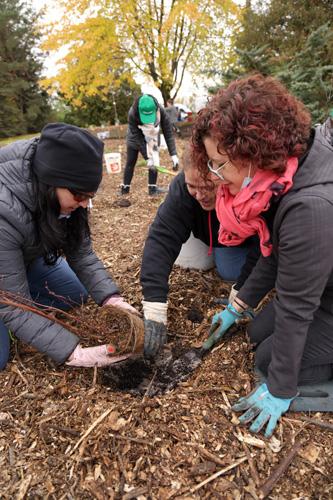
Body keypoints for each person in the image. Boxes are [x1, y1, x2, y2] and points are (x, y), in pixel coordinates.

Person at [191, 73, 333, 437]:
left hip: (325, 298)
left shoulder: (309, 206)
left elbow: (297, 307)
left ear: (251, 153)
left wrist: (281, 389)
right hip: (321, 286)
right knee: (257, 331)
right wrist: (238, 306)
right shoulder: (285, 173)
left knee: (270, 361)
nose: (216, 175)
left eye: (219, 164)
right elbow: (276, 252)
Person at [0, 122, 138, 371]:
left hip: (22, 260)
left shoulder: (62, 194)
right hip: (5, 265)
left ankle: (26, 307)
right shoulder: (4, 211)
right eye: (79, 196)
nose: (84, 204)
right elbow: (10, 301)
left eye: (89, 197)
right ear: (51, 184)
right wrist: (72, 353)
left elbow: (82, 254)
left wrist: (112, 298)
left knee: (78, 292)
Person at [141, 147, 259, 359]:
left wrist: (243, 291)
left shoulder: (246, 186)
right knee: (198, 262)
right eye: (192, 186)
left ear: (223, 176)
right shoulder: (183, 189)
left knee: (233, 272)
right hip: (211, 234)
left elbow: (265, 243)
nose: (199, 195)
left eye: (206, 187)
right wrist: (154, 304)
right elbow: (161, 238)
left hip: (245, 237)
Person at [120, 94, 179, 196]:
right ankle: (125, 188)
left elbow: (168, 132)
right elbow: (138, 139)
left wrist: (173, 154)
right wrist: (148, 158)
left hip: (151, 137)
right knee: (131, 161)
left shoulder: (161, 110)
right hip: (135, 137)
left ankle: (152, 189)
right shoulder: (132, 113)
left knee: (154, 162)